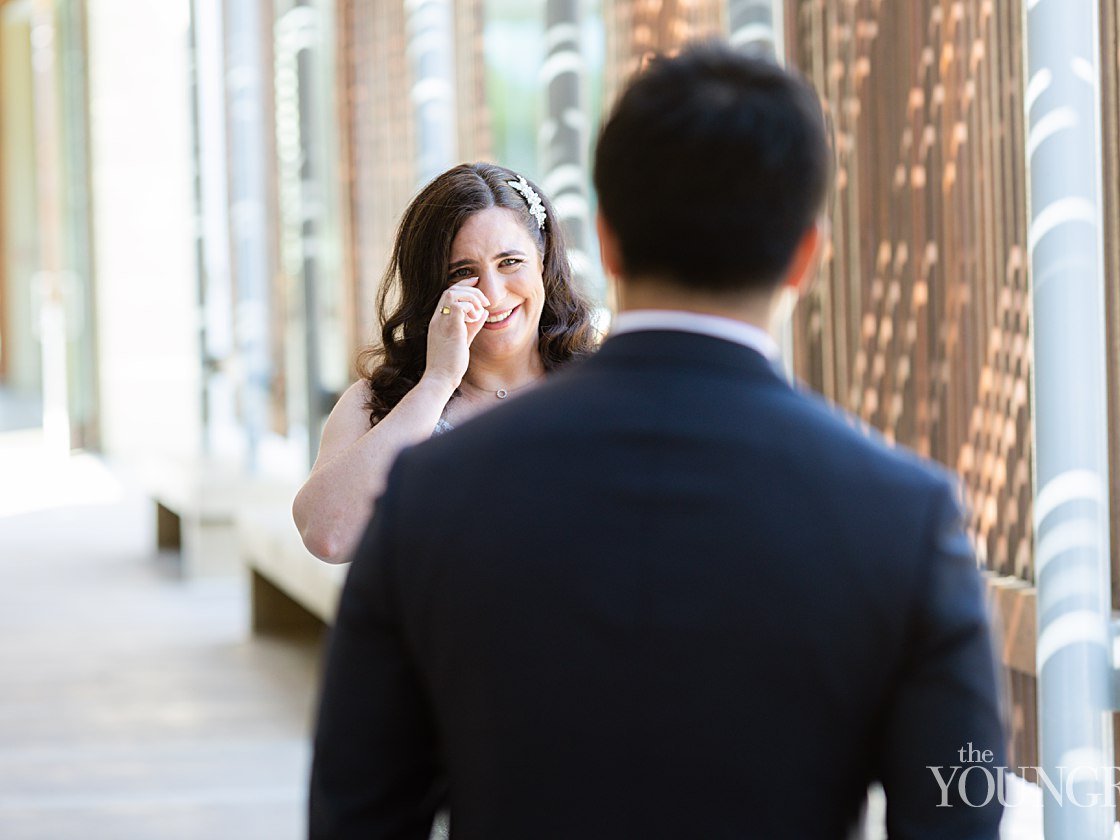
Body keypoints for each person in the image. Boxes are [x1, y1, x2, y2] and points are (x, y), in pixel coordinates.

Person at [309, 43, 1006, 839]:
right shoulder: (903, 518)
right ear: (806, 256)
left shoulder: (432, 492)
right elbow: (960, 813)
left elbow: (356, 811)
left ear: (604, 240)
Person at [292, 163, 599, 562]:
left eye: (510, 262)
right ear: (431, 285)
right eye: (463, 272)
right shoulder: (379, 402)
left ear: (542, 259)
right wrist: (438, 381)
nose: (491, 294)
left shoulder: (598, 385)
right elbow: (328, 536)